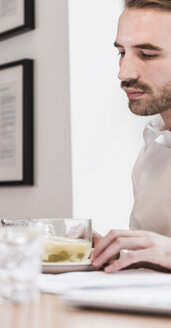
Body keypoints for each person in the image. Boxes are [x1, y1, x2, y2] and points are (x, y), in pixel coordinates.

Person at [90, 0, 171, 273]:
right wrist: (116, 255)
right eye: (122, 53)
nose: (124, 73)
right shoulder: (154, 149)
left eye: (147, 54)